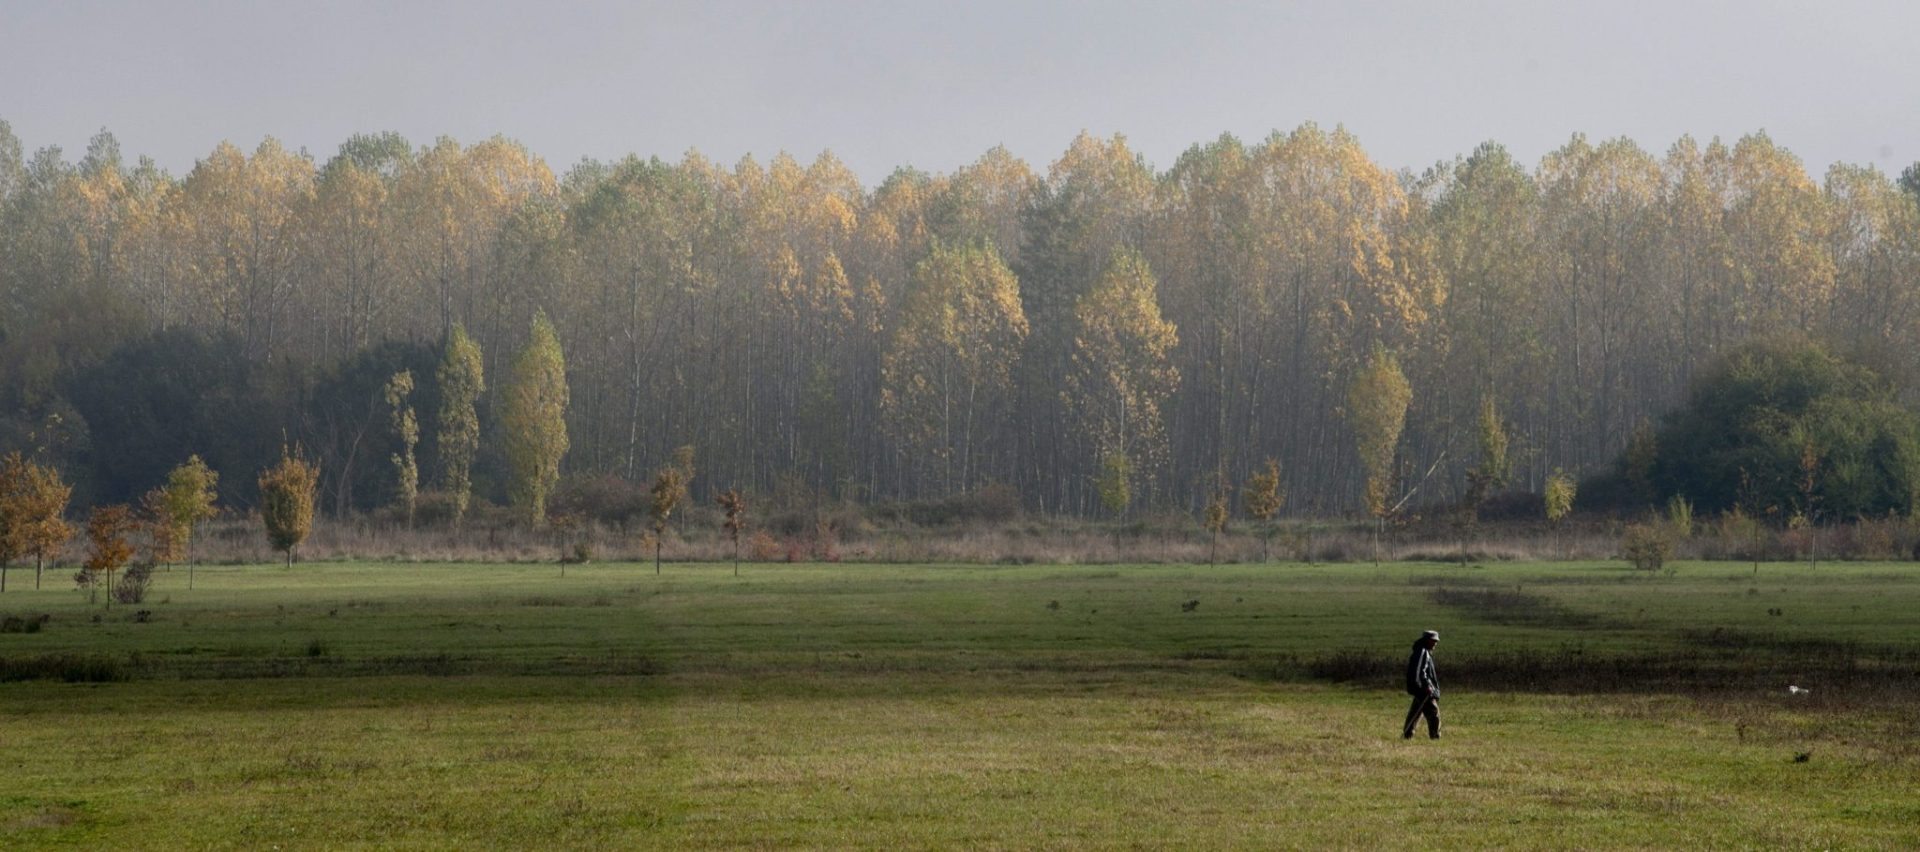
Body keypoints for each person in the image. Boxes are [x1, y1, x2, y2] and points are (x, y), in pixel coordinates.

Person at [1403, 629, 1441, 739]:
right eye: (1433, 641)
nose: (1435, 643)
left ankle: (1407, 734)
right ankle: (1435, 737)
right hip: (1424, 690)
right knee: (1434, 714)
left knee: (1415, 712)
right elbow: (1419, 672)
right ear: (1427, 640)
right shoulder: (1422, 652)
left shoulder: (1422, 651)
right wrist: (1426, 686)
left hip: (1420, 689)